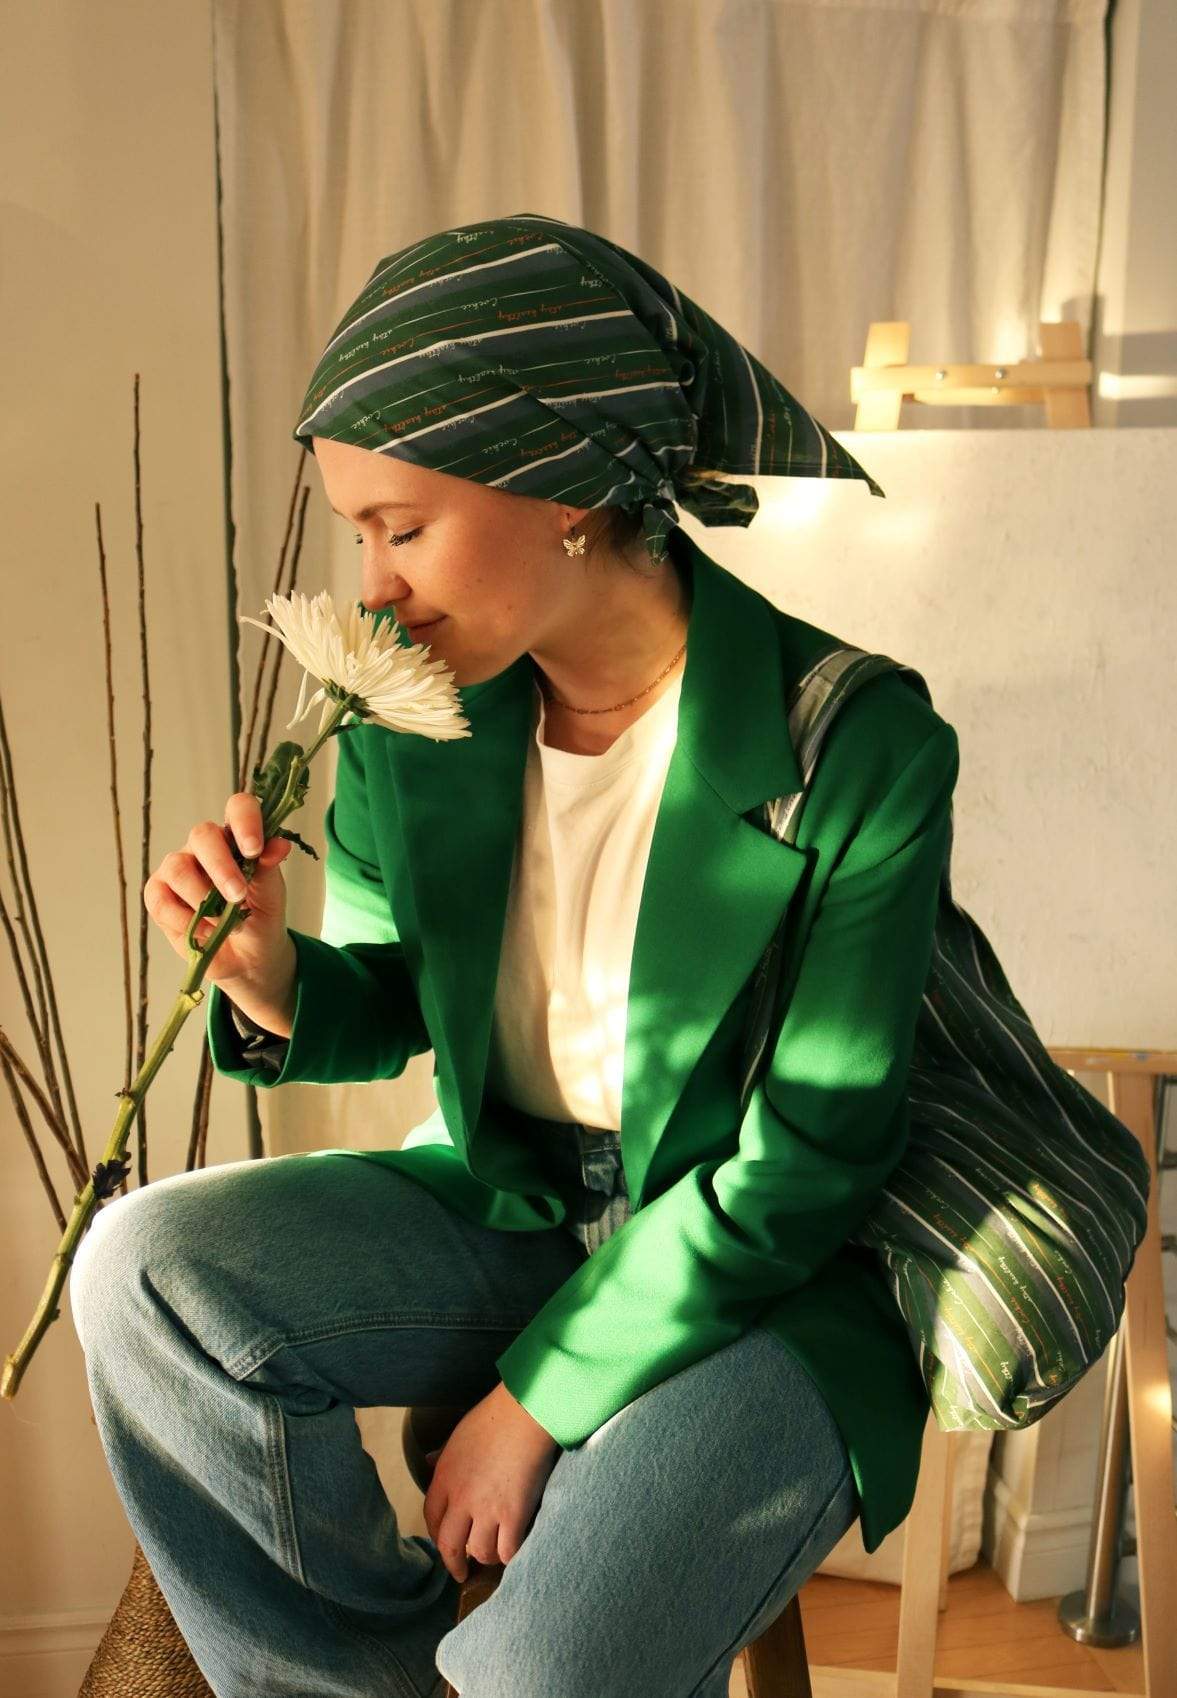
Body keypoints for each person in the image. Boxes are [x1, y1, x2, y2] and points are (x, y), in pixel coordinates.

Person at [69, 213, 958, 1698]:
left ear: (560, 489)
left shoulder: (850, 740)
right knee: (144, 1269)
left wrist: (532, 1401)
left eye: (399, 528)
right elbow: (400, 992)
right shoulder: (422, 724)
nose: (373, 590)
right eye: (357, 534)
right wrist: (268, 973)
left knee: (538, 1670)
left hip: (769, 1279)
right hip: (512, 1202)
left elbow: (805, 1163)